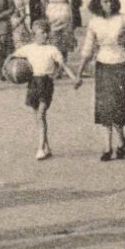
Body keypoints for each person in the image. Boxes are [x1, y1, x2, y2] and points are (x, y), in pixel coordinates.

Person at [74, 0, 125, 161]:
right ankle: (107, 147)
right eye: (105, 2)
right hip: (103, 65)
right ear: (98, 4)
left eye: (111, 1)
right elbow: (88, 49)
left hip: (121, 64)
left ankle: (121, 140)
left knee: (117, 106)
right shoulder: (95, 22)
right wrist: (79, 73)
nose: (108, 5)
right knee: (104, 108)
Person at [9, 20, 77, 161]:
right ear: (34, 35)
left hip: (46, 83)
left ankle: (40, 148)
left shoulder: (52, 49)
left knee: (41, 115)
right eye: (41, 33)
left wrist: (74, 78)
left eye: (47, 32)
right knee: (38, 117)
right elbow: (12, 57)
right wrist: (7, 70)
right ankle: (46, 147)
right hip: (33, 82)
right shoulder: (29, 48)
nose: (45, 35)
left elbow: (63, 65)